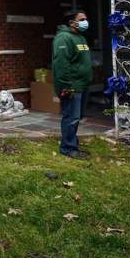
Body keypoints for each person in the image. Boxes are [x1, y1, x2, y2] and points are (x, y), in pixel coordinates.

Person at [52, 10, 93, 159]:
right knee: (71, 117)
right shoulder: (63, 38)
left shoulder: (80, 37)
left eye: (85, 19)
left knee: (77, 117)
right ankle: (68, 148)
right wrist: (66, 86)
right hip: (72, 86)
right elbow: (61, 65)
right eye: (82, 19)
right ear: (71, 22)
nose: (85, 22)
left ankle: (72, 144)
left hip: (82, 85)